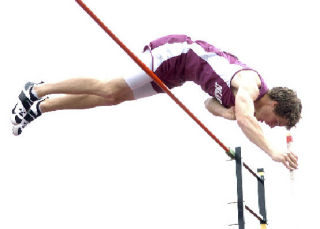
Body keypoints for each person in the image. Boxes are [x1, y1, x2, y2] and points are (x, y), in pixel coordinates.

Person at [11, 35, 301, 170]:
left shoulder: (241, 102)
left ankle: (40, 107)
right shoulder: (250, 86)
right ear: (274, 104)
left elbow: (208, 106)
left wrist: (224, 113)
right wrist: (273, 152)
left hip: (178, 75)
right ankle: (36, 89)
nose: (272, 126)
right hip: (175, 54)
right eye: (278, 122)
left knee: (112, 99)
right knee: (109, 86)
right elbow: (246, 120)